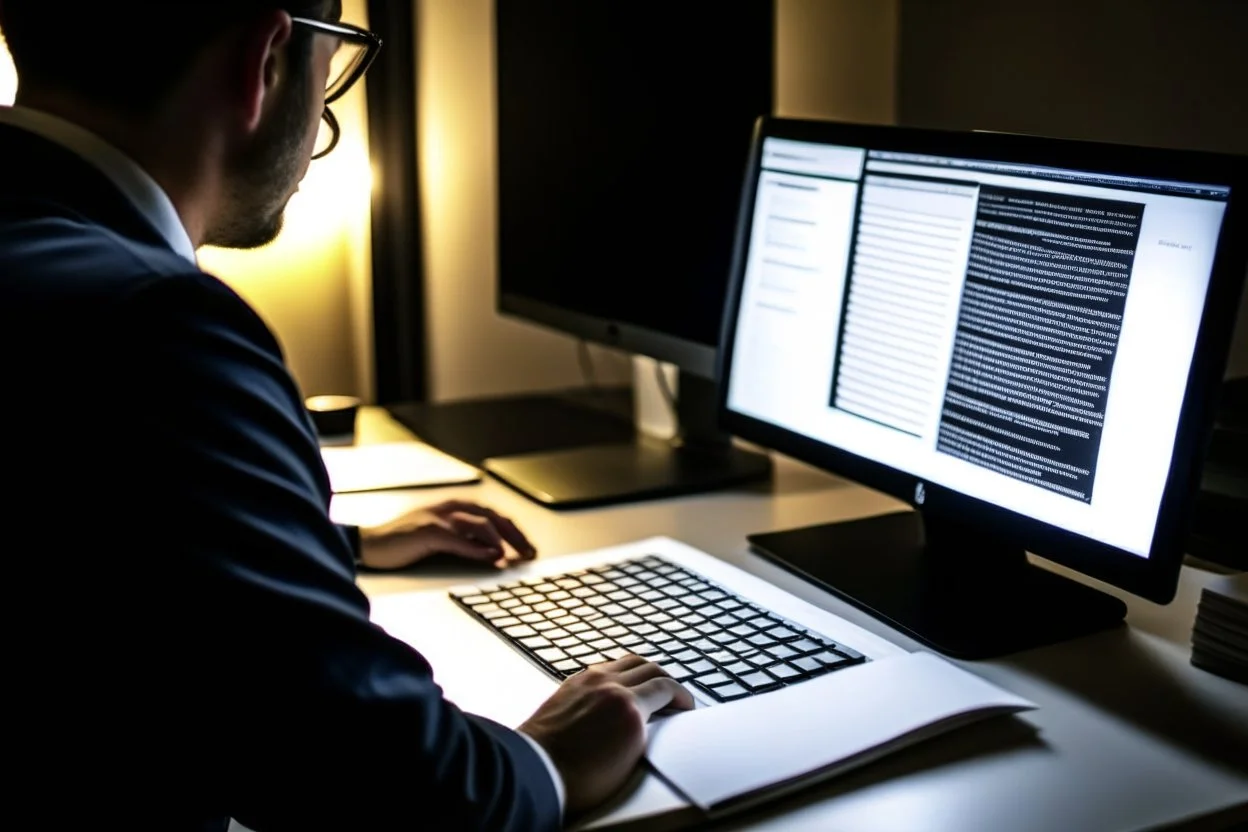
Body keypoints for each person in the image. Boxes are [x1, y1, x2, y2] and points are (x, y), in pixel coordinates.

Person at [0, 1, 692, 829]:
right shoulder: (156, 326)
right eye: (339, 62)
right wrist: (547, 759)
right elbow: (386, 790)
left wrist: (338, 548)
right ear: (267, 58)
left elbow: (76, 547)